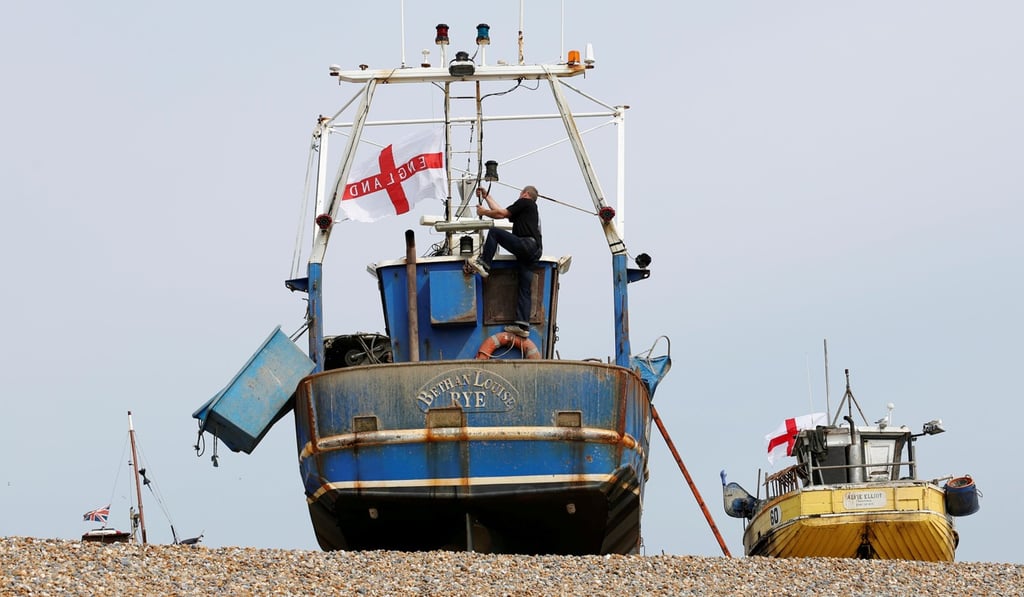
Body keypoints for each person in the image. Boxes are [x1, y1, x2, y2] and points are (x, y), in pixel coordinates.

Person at [468, 185, 543, 338]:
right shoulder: (527, 210)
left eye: (520, 192)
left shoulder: (525, 202)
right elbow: (503, 211)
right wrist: (487, 196)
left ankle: (484, 265)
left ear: (525, 194)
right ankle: (523, 325)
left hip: (526, 244)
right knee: (524, 288)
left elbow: (500, 214)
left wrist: (483, 212)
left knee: (495, 232)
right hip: (533, 252)